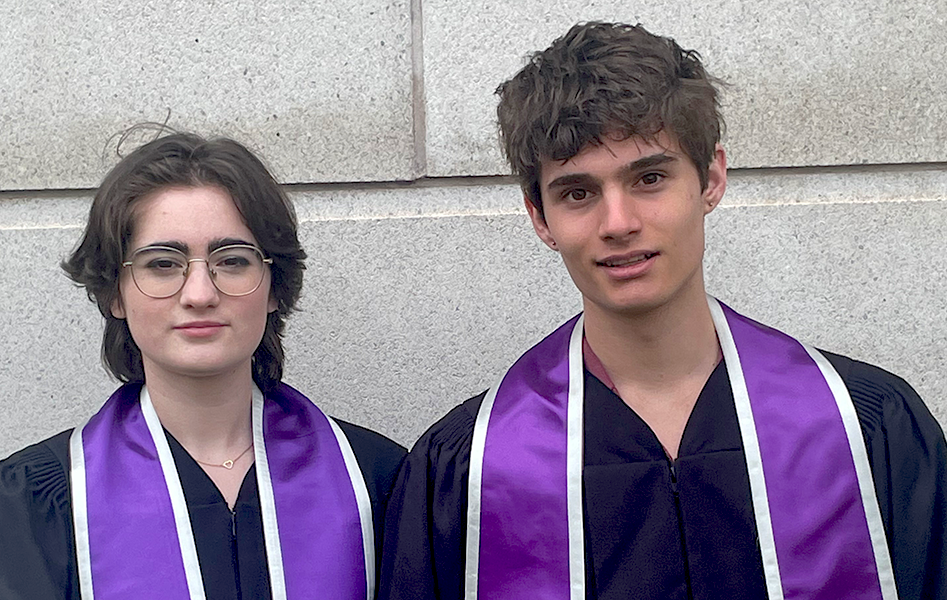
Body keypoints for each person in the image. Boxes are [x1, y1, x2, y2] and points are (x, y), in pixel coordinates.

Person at [378, 22, 946, 600]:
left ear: (711, 179)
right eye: (578, 193)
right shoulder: (467, 470)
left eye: (649, 178)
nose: (618, 223)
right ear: (539, 217)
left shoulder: (867, 429)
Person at [0, 131, 406, 599]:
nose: (200, 294)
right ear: (114, 294)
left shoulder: (376, 482)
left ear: (274, 287)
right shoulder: (35, 503)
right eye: (162, 264)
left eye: (233, 261)